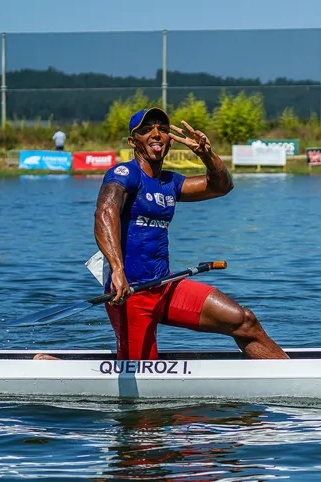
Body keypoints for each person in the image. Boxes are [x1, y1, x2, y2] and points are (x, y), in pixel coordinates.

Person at [93, 107, 288, 361]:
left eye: (162, 129)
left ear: (170, 140)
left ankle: (294, 378)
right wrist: (117, 270)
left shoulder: (171, 183)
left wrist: (206, 154)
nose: (156, 134)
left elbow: (222, 186)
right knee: (141, 377)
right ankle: (51, 364)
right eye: (146, 130)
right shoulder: (125, 174)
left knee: (244, 321)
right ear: (133, 141)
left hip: (165, 286)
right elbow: (105, 213)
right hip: (130, 294)